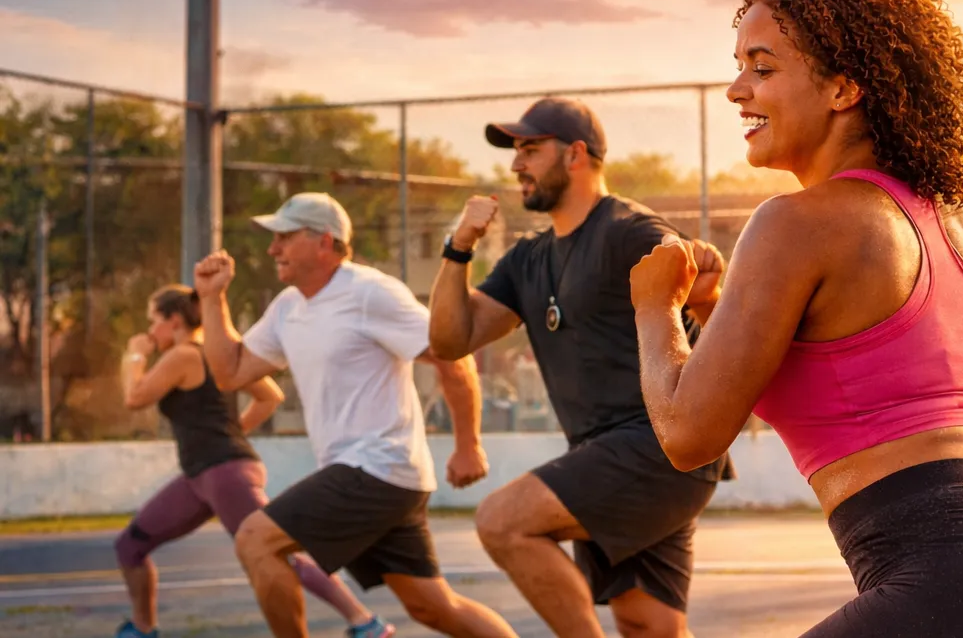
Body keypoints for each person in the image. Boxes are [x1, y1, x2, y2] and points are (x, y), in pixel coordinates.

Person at [629, 0, 963, 637]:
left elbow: (687, 434)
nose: (735, 90)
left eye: (761, 66)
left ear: (843, 88)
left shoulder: (794, 223)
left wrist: (653, 305)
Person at [429, 97, 732, 638]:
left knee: (503, 522)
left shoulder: (631, 232)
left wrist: (705, 283)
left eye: (529, 149)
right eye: (515, 151)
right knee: (648, 625)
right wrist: (458, 247)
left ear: (574, 154)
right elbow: (452, 340)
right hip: (603, 452)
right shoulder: (527, 259)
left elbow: (715, 318)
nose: (516, 164)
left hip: (657, 447)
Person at [191, 192, 517, 638]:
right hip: (377, 476)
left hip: (379, 466)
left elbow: (450, 353)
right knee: (433, 608)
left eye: (284, 238)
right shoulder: (288, 307)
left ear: (324, 242)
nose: (273, 250)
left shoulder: (369, 293)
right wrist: (212, 299)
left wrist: (468, 445)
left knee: (256, 539)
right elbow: (230, 372)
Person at [115, 284, 392, 638]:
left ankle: (364, 622)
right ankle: (142, 628)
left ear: (173, 321)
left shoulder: (185, 355)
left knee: (276, 553)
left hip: (225, 474)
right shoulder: (209, 355)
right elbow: (269, 396)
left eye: (153, 321)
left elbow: (134, 397)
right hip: (201, 476)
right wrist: (233, 432)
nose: (150, 331)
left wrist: (134, 354)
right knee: (130, 545)